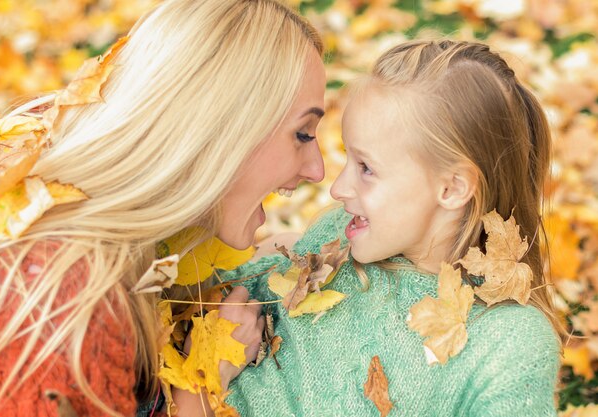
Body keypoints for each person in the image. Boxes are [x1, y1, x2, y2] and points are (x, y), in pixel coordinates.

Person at [0, 0, 325, 416]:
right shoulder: (74, 307)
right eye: (302, 134)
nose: (318, 170)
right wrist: (204, 384)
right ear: (216, 132)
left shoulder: (54, 173)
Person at [217, 40, 561, 417]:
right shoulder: (339, 236)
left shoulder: (507, 342)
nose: (337, 188)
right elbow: (222, 305)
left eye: (366, 169)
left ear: (451, 188)